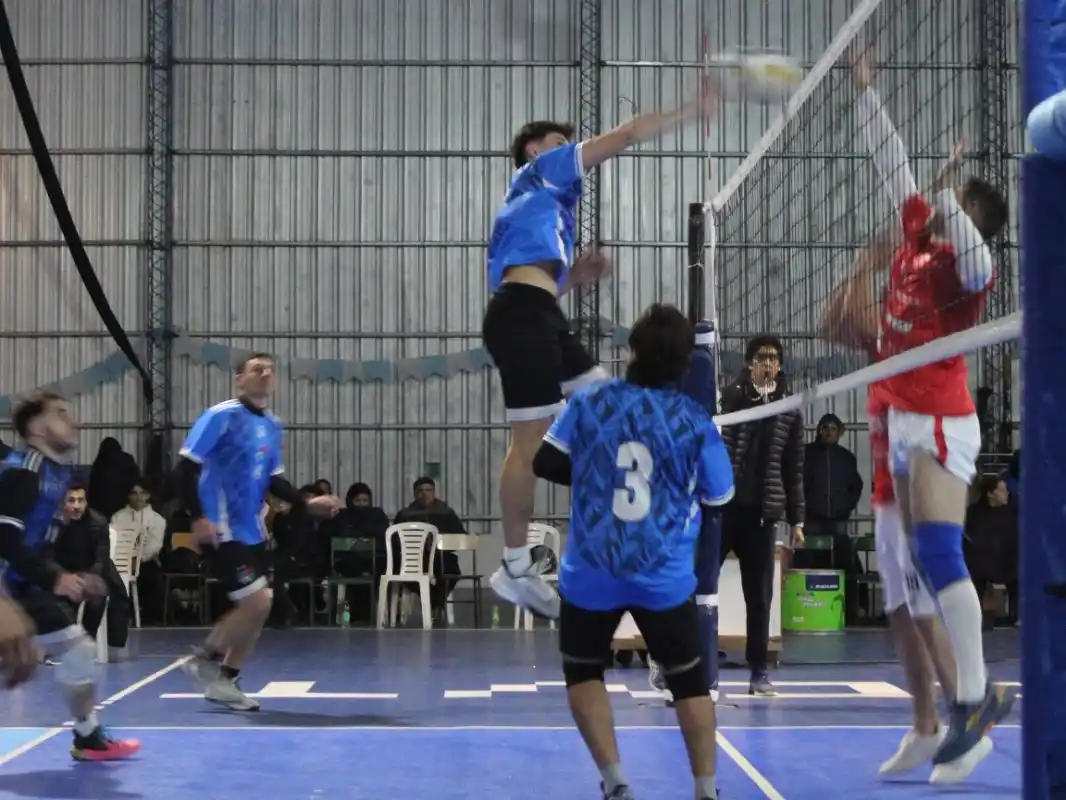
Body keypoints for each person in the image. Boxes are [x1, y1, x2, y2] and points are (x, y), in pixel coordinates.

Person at [482, 82, 717, 620]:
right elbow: (628, 133)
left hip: (540, 314)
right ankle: (515, 566)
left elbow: (533, 281)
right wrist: (690, 109)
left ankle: (625, 523)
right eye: (558, 142)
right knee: (529, 442)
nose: (569, 149)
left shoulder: (541, 209)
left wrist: (576, 276)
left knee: (617, 404)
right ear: (535, 150)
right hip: (522, 317)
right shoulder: (541, 172)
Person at [852, 47, 1013, 782]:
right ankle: (954, 715)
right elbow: (893, 167)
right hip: (902, 421)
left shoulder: (968, 273)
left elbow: (978, 253)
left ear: (969, 219)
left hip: (942, 419)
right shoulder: (919, 240)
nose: (943, 210)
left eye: (957, 209)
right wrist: (865, 92)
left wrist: (950, 197)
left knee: (940, 557)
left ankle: (972, 702)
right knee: (919, 565)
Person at [532, 304, 734, 800]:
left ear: (633, 350)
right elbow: (720, 496)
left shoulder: (590, 401)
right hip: (661, 574)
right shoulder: (694, 421)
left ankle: (616, 782)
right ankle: (706, 790)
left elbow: (545, 461)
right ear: (685, 363)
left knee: (583, 672)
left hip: (593, 570)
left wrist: (597, 474)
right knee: (689, 684)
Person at [822, 229, 966, 778]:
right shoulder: (886, 341)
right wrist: (865, 265)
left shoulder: (916, 339)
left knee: (922, 606)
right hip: (886, 487)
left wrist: (869, 265)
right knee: (902, 613)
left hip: (913, 481)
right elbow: (832, 324)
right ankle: (926, 724)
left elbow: (849, 321)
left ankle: (966, 713)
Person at [175, 353, 342, 710]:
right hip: (220, 527)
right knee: (258, 601)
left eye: (270, 369)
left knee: (259, 608)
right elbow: (184, 470)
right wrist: (198, 517)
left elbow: (273, 480)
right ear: (240, 379)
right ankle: (204, 659)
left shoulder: (272, 425)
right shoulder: (220, 416)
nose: (265, 373)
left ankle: (225, 681)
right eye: (256, 369)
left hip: (251, 531)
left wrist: (307, 502)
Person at [0, 391, 139, 760]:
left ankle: (88, 738)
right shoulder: (23, 473)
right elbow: (4, 541)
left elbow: (34, 547)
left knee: (79, 651)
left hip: (20, 583)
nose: (73, 421)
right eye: (60, 413)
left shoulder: (57, 475)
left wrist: (64, 575)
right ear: (36, 428)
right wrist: (46, 584)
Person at [717, 335, 805, 696]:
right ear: (749, 364)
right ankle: (689, 661)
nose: (768, 364)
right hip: (724, 509)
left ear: (780, 365)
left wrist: (797, 518)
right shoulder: (732, 396)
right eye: (761, 358)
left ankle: (758, 671)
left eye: (773, 358)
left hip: (762, 514)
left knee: (759, 596)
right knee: (699, 584)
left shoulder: (789, 407)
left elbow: (793, 466)